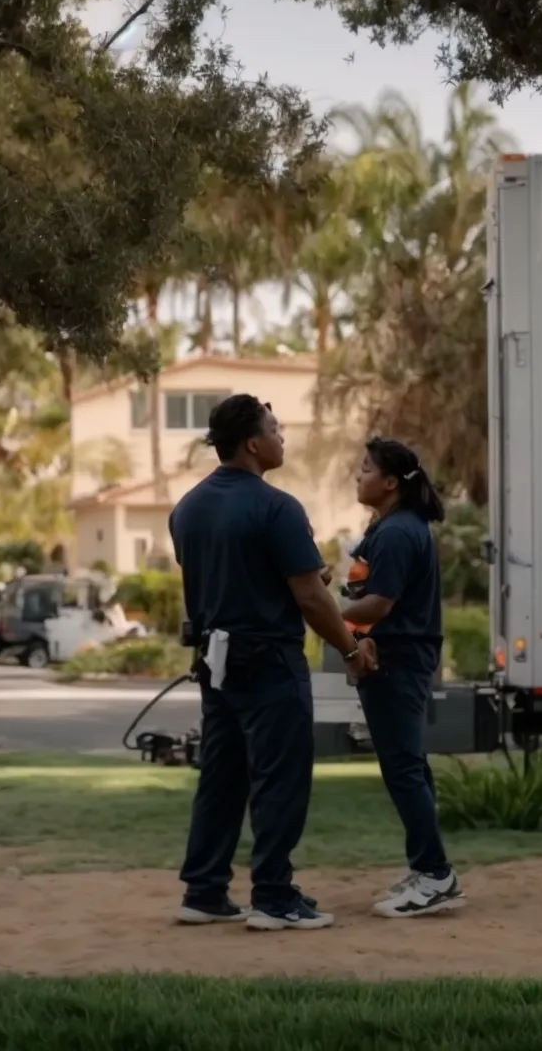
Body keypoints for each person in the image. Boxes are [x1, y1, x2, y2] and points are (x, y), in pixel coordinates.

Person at [170, 394, 377, 931]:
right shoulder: (277, 507)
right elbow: (310, 597)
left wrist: (300, 581)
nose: (282, 437)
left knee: (222, 776)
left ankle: (204, 890)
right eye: (274, 429)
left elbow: (233, 576)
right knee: (280, 777)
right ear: (252, 444)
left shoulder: (187, 508)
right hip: (269, 658)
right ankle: (274, 896)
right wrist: (350, 650)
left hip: (216, 659)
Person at [339, 437, 465, 919]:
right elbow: (365, 593)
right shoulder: (392, 526)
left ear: (391, 482)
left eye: (367, 469)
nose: (359, 475)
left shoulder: (397, 532)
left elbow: (378, 604)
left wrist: (323, 611)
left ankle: (435, 875)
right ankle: (426, 867)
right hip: (394, 657)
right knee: (409, 766)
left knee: (403, 768)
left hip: (396, 660)